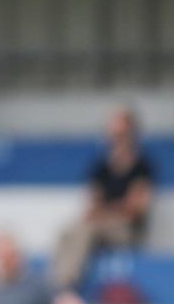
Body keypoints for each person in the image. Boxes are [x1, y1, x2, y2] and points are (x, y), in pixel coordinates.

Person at [52, 108, 154, 289]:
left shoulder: (142, 166)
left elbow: (135, 209)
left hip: (127, 230)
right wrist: (113, 209)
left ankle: (65, 284)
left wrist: (107, 212)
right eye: (113, 133)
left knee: (86, 230)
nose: (116, 138)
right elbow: (93, 205)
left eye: (121, 133)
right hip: (104, 225)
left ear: (132, 134)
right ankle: (55, 281)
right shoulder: (100, 167)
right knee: (66, 232)